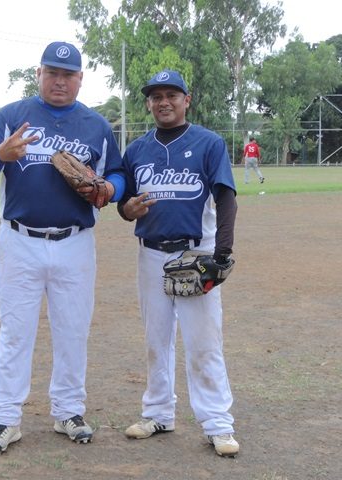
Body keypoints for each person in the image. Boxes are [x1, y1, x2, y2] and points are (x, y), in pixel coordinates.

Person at [0, 41, 125, 456]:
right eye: (52, 72)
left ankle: (68, 411)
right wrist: (1, 154)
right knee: (15, 332)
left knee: (73, 330)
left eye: (68, 74)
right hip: (19, 241)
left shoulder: (96, 125)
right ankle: (6, 417)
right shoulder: (12, 116)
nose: (60, 80)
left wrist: (110, 189)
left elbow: (117, 173)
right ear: (38, 74)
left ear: (80, 79)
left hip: (75, 243)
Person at [117, 70, 240, 457]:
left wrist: (222, 251)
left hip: (195, 253)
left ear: (187, 100)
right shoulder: (137, 150)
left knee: (204, 342)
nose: (164, 102)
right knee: (156, 339)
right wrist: (126, 209)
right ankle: (158, 414)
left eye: (172, 95)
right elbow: (125, 205)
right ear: (149, 104)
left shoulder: (208, 143)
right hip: (151, 253)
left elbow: (226, 197)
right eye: (156, 96)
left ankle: (218, 423)